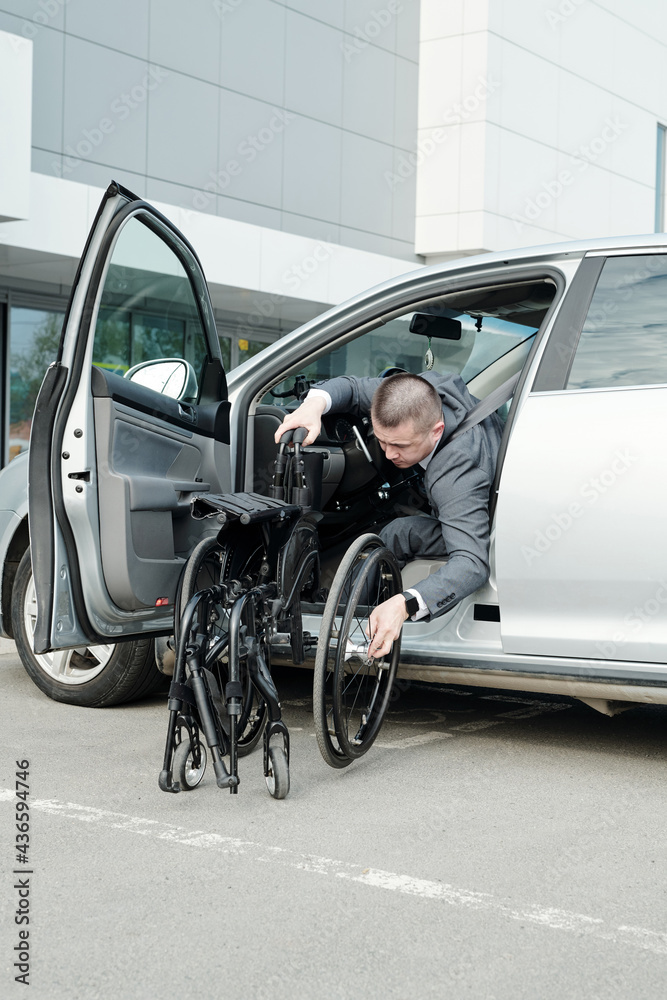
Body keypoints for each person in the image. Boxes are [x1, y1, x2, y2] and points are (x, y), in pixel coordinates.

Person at [274, 371, 503, 661]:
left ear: (437, 430)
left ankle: (342, 619)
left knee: (398, 532)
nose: (390, 453)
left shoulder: (457, 474)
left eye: (401, 446)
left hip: (489, 524)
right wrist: (312, 407)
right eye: (382, 441)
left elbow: (472, 564)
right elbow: (353, 387)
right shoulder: (415, 395)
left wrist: (405, 603)